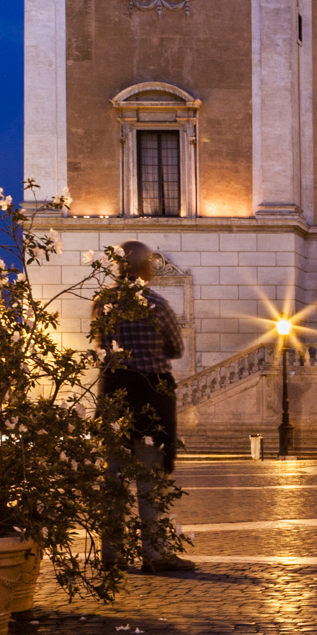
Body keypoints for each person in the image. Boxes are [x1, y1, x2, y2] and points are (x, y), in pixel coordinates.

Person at [89, 241, 194, 572]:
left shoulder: (101, 302)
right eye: (149, 262)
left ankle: (111, 554)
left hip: (115, 396)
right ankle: (155, 553)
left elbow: (99, 343)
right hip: (150, 398)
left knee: (114, 477)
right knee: (150, 479)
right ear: (142, 268)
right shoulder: (157, 304)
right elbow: (176, 348)